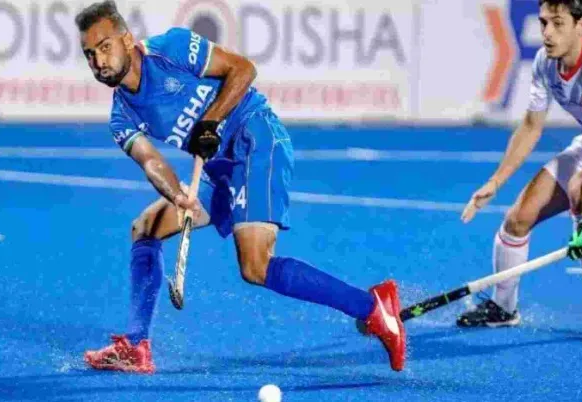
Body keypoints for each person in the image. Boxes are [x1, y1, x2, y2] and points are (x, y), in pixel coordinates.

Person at [75, 1, 406, 373]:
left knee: (255, 265)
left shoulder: (170, 49)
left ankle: (372, 307)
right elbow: (151, 162)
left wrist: (210, 121)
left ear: (126, 39)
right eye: (90, 55)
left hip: (255, 138)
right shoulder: (121, 116)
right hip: (217, 167)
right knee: (145, 228)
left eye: (105, 47)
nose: (98, 61)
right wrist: (178, 196)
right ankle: (136, 346)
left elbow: (243, 69)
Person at [458, 0, 582, 340]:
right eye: (543, 23)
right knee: (517, 218)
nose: (547, 33)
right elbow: (531, 126)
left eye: (558, 23)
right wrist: (496, 182)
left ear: (580, 25)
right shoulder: (546, 61)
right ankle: (503, 307)